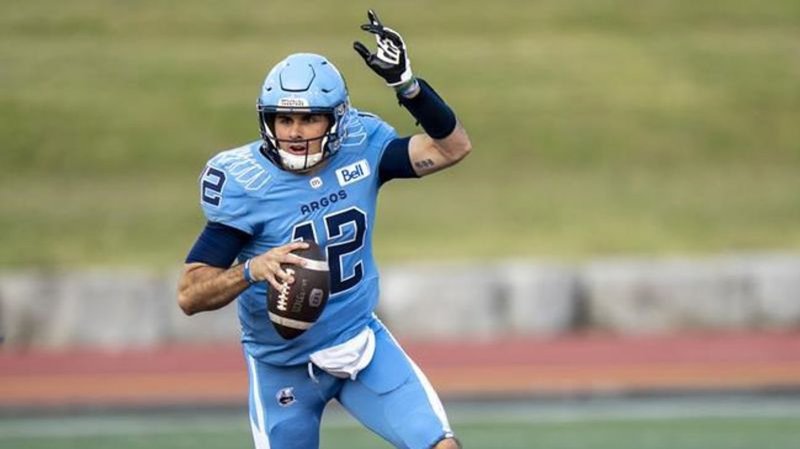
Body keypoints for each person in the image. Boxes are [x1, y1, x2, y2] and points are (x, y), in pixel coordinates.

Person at [177, 10, 471, 449]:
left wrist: (408, 87)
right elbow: (189, 295)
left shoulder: (361, 147)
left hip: (361, 345)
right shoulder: (247, 184)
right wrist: (251, 270)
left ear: (336, 119)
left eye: (309, 119)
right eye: (284, 120)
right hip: (283, 367)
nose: (295, 133)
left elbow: (453, 147)